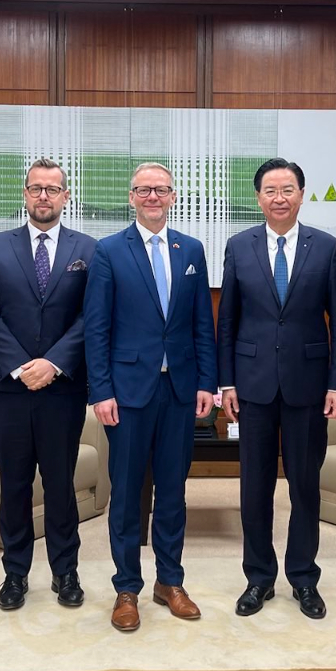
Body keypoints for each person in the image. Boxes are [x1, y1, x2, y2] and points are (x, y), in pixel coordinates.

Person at [83, 162, 216, 632]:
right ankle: (126, 588)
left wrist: (207, 382)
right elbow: (96, 327)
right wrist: (101, 390)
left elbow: (202, 323)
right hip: (126, 393)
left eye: (161, 189)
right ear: (132, 197)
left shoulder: (191, 249)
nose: (153, 197)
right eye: (143, 190)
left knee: (173, 490)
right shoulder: (109, 251)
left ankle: (170, 581)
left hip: (179, 390)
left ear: (173, 196)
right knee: (125, 495)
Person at [218, 158, 336, 620]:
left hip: (308, 386)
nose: (279, 198)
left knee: (305, 487)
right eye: (271, 190)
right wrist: (226, 382)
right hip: (252, 386)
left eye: (288, 189)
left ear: (301, 195)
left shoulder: (326, 246)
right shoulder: (239, 246)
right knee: (254, 489)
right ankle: (259, 577)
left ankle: (303, 577)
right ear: (259, 198)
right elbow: (228, 320)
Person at [0, 158, 96, 611]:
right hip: (8, 389)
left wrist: (54, 363)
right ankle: (15, 574)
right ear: (24, 194)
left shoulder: (89, 249)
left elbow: (90, 315)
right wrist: (22, 365)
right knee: (14, 485)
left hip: (62, 390)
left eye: (53, 189)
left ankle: (66, 572)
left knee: (60, 485)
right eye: (36, 188)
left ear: (66, 196)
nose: (44, 196)